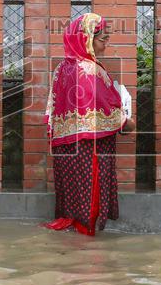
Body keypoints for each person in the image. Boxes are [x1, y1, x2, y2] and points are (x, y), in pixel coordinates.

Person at [44, 12, 136, 236]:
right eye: (102, 39)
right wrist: (127, 122)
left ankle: (77, 248)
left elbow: (52, 112)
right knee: (90, 201)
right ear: (86, 39)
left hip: (66, 148)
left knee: (73, 197)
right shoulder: (89, 70)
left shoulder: (62, 69)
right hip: (90, 148)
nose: (106, 45)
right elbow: (100, 109)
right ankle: (88, 255)